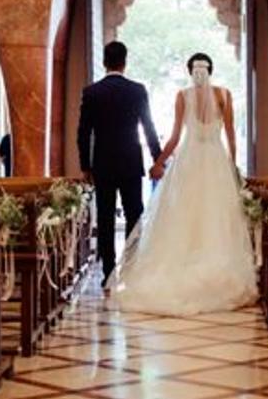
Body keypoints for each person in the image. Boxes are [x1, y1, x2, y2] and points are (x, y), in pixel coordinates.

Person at [109, 53, 256, 315]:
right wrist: (233, 166)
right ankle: (218, 272)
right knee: (216, 215)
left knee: (184, 214)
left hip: (189, 161)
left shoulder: (183, 96)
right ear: (210, 69)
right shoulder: (224, 95)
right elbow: (231, 135)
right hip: (216, 161)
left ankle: (183, 265)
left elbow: (176, 137)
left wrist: (159, 162)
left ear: (191, 71)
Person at [77, 41, 162, 287]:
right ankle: (131, 269)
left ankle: (108, 272)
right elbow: (148, 127)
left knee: (104, 217)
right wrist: (158, 158)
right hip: (130, 162)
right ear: (125, 62)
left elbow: (83, 132)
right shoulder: (137, 90)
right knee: (135, 215)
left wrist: (86, 165)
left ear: (105, 62)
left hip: (102, 163)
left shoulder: (92, 92)